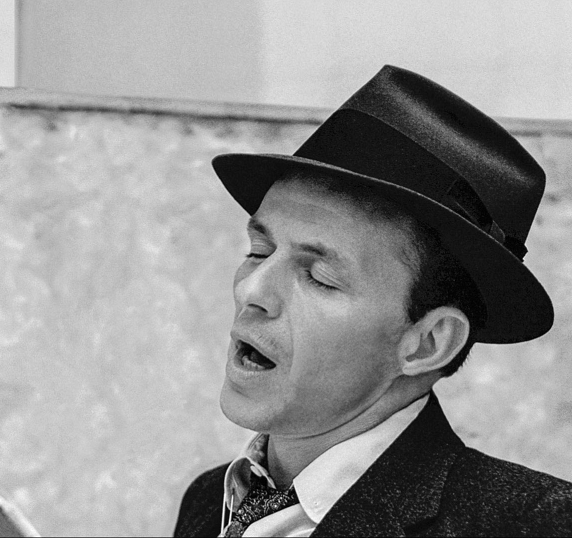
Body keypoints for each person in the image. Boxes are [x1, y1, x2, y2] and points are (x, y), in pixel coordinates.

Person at [173, 65, 572, 537]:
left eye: (319, 277)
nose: (251, 290)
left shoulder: (535, 525)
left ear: (428, 342)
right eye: (259, 251)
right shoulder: (208, 500)